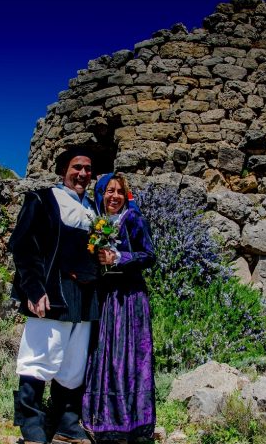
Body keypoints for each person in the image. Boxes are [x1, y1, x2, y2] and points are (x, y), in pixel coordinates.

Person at [8, 147, 100, 444]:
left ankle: (66, 424)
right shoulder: (42, 200)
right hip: (51, 294)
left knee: (73, 365)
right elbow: (23, 247)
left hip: (84, 299)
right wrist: (33, 289)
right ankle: (31, 426)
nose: (83, 174)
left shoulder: (93, 210)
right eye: (77, 167)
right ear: (64, 171)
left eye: (87, 169)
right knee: (38, 359)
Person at [82, 174, 156, 443]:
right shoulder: (97, 224)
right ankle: (102, 420)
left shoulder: (133, 219)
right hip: (105, 298)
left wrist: (120, 257)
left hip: (130, 298)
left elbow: (149, 255)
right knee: (105, 355)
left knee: (130, 358)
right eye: (109, 191)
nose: (114, 196)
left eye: (120, 192)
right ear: (100, 194)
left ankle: (133, 422)